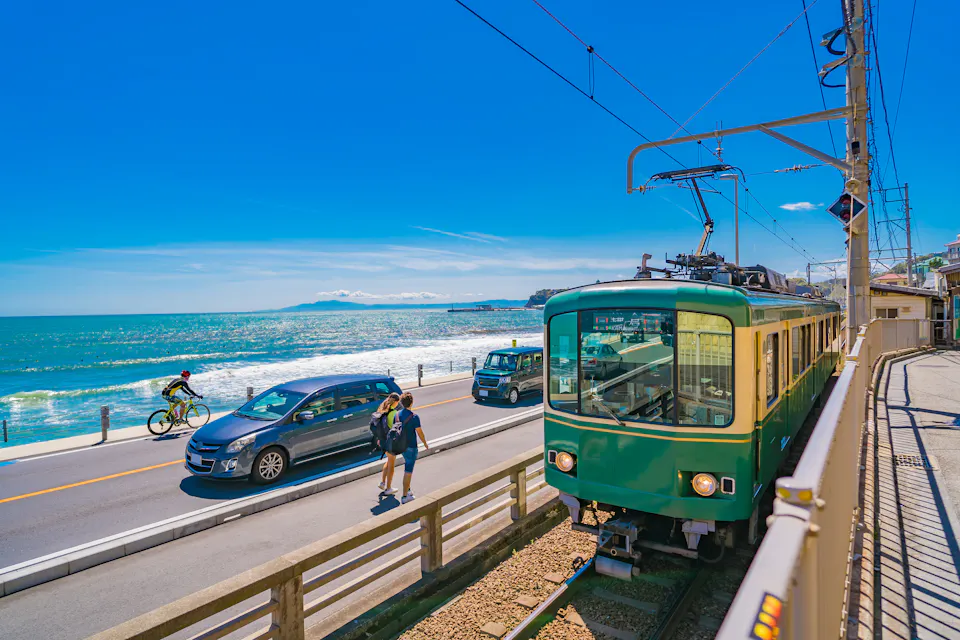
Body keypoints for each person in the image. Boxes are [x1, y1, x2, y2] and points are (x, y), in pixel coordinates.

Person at [396, 392, 428, 504]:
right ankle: (405, 496)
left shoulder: (397, 415)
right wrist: (425, 443)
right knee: (408, 471)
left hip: (401, 446)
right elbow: (420, 433)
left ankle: (408, 490)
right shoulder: (414, 417)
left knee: (407, 467)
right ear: (412, 402)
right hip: (411, 447)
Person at [376, 392, 401, 495]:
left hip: (383, 441)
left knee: (388, 461)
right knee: (391, 465)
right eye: (397, 403)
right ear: (395, 402)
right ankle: (388, 488)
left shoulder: (382, 410)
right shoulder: (394, 413)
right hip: (391, 442)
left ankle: (382, 483)